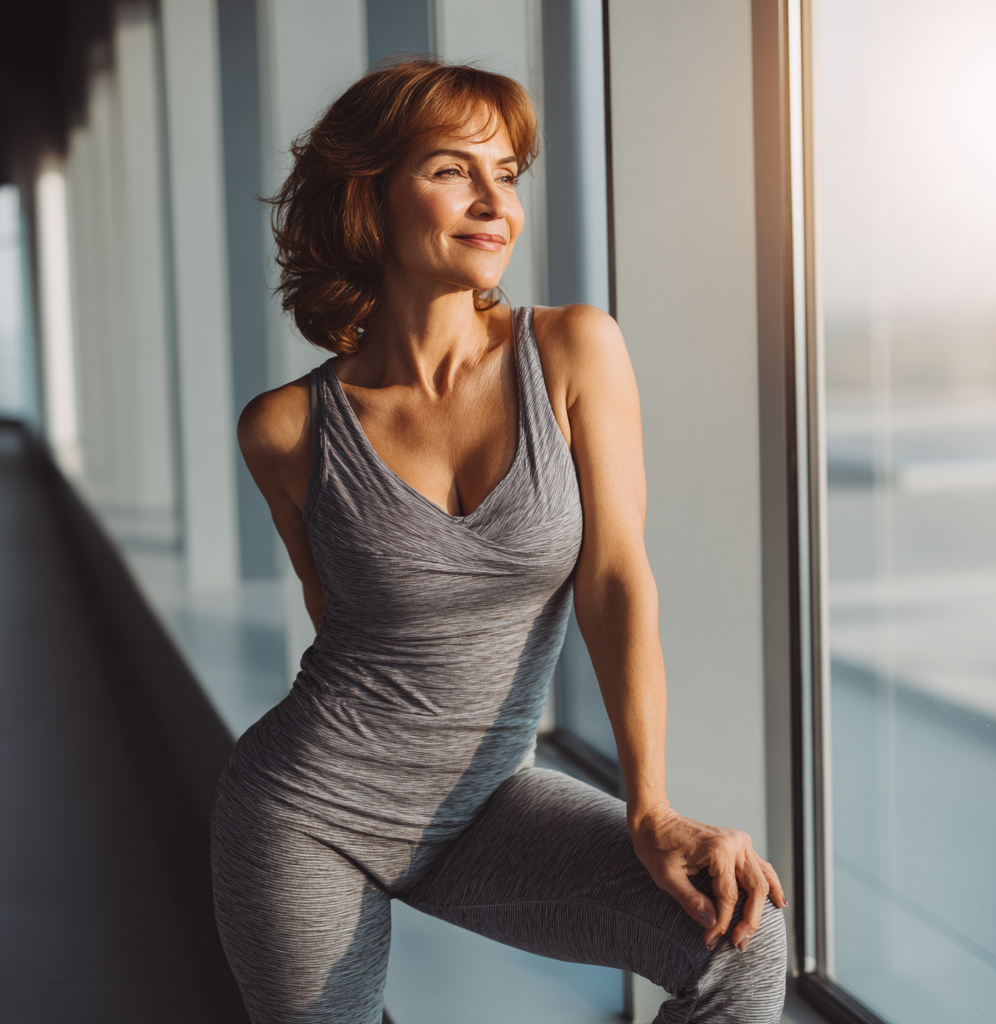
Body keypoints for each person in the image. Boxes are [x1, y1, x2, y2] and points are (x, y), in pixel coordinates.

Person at [211, 59, 787, 1024]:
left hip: (486, 807)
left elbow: (617, 580)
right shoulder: (286, 429)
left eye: (508, 174)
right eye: (452, 170)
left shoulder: (572, 349)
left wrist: (650, 806)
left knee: (739, 940)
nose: (494, 202)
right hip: (307, 817)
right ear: (369, 195)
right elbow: (339, 616)